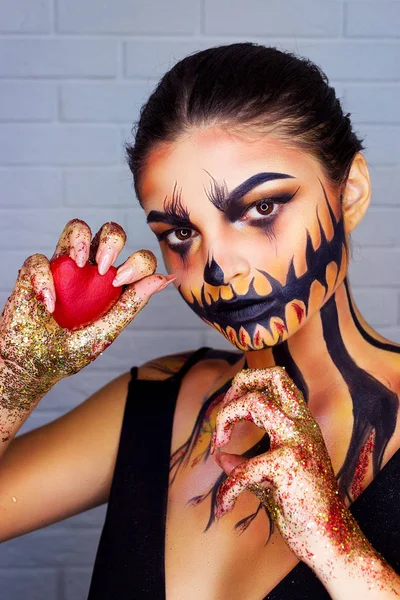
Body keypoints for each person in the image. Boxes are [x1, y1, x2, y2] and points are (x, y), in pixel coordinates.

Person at [0, 42, 399, 600]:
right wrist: (12, 378)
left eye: (260, 209)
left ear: (350, 191)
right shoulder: (153, 403)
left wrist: (339, 550)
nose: (217, 267)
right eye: (181, 234)